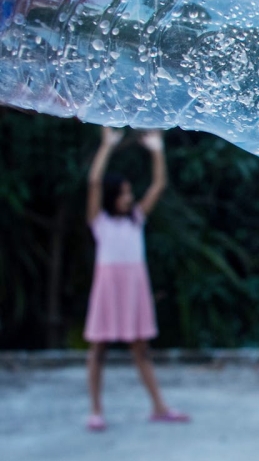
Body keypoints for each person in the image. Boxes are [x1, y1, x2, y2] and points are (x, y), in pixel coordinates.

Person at [84, 127, 188, 431]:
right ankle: (95, 410)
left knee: (141, 349)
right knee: (98, 350)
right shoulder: (99, 222)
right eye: (125, 193)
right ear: (113, 197)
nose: (130, 197)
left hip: (133, 287)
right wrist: (107, 146)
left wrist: (157, 148)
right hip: (108, 287)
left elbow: (159, 184)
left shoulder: (136, 220)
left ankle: (159, 406)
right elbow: (93, 182)